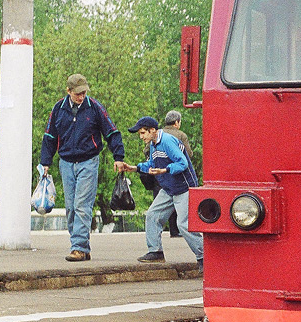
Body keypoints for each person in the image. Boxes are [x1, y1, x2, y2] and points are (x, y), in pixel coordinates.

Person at [39, 74, 128, 261]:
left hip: (88, 161)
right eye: (78, 93)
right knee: (71, 207)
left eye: (84, 92)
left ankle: (78, 247)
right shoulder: (58, 109)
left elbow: (111, 131)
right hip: (66, 162)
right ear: (69, 91)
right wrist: (45, 162)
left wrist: (118, 156)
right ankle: (82, 247)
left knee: (82, 205)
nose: (81, 96)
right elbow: (49, 137)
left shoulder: (94, 107)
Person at [119, 116, 203, 270]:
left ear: (153, 130)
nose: (141, 136)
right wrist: (134, 168)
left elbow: (182, 163)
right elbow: (152, 164)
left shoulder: (168, 141)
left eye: (143, 133)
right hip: (169, 188)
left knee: (183, 224)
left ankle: (204, 257)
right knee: (153, 215)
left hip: (184, 187)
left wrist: (165, 170)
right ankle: (155, 252)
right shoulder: (153, 144)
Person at [161, 110, 194, 237]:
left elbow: (147, 150)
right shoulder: (181, 135)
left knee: (163, 203)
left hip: (160, 174)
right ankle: (179, 230)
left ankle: (172, 230)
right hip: (176, 174)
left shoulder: (159, 134)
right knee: (178, 202)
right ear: (176, 122)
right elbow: (189, 154)